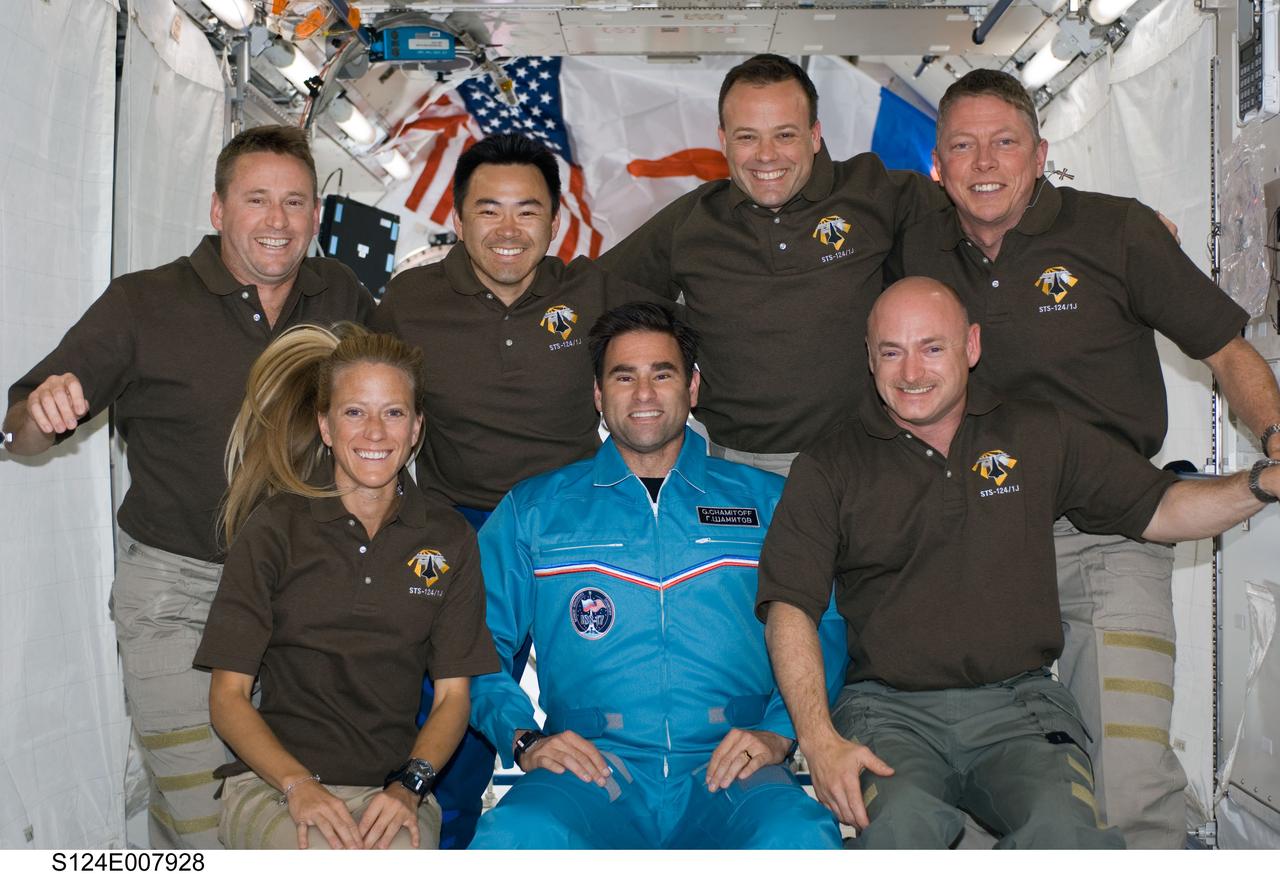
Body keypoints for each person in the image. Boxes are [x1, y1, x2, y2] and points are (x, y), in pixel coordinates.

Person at [891, 68, 1280, 848]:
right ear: (937, 166)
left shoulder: (1118, 232)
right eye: (962, 146)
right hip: (975, 546)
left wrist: (1275, 435)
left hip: (1112, 535)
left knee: (1128, 784)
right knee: (985, 793)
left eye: (1005, 143)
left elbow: (1225, 348)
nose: (985, 163)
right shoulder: (915, 246)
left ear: (1041, 155)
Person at [757, 278, 1280, 849]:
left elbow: (1162, 508)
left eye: (932, 347)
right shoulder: (829, 464)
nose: (911, 372)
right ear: (869, 357)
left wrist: (1261, 483)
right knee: (900, 831)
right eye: (891, 351)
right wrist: (819, 740)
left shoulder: (1036, 431)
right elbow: (789, 608)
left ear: (971, 346)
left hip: (1020, 709)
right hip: (887, 714)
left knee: (1065, 834)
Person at [1, 126, 374, 848]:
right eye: (257, 199)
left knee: (224, 811)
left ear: (316, 215)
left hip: (301, 599)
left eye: (295, 201)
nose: (277, 220)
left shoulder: (341, 295)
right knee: (214, 820)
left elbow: (389, 404)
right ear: (218, 209)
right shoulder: (144, 303)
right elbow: (20, 429)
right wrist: (40, 414)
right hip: (178, 599)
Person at [370, 133, 661, 847]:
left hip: (570, 523)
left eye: (527, 211)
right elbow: (364, 405)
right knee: (457, 694)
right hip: (461, 527)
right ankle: (444, 839)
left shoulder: (594, 292)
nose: (508, 229)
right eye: (489, 209)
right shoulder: (410, 301)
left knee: (605, 686)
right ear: (457, 217)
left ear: (555, 221)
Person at [467, 302, 845, 849]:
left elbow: (824, 624)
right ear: (598, 395)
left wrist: (780, 731)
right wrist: (523, 738)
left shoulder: (769, 503)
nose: (643, 394)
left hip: (730, 767)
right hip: (592, 770)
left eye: (662, 374)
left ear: (693, 387)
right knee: (514, 839)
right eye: (624, 377)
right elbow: (473, 645)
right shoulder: (536, 510)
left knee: (798, 838)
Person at [194, 324, 499, 850]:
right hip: (275, 786)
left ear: (417, 428)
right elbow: (228, 696)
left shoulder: (450, 537)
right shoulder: (274, 528)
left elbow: (453, 697)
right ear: (326, 426)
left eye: (394, 413)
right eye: (355, 412)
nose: (375, 432)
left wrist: (410, 787)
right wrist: (298, 785)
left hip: (394, 793)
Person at [598, 53, 948, 474]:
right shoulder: (691, 222)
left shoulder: (875, 192)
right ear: (723, 140)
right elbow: (594, 292)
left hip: (866, 458)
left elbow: (978, 217)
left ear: (814, 135)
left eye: (784, 135)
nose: (766, 156)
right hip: (742, 469)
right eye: (747, 137)